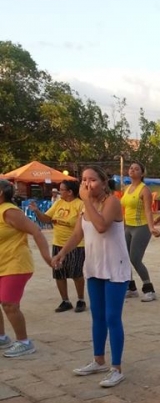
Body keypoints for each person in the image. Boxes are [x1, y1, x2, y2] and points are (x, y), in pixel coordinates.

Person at [51, 166, 130, 388]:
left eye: (92, 180)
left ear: (103, 182)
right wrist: (62, 253)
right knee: (97, 315)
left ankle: (116, 368)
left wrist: (85, 200)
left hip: (115, 267)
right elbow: (78, 233)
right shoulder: (85, 206)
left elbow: (102, 226)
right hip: (95, 266)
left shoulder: (112, 202)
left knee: (112, 317)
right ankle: (98, 360)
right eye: (84, 180)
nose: (87, 184)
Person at [0, 179, 53, 357]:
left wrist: (47, 257)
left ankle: (24, 342)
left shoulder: (9, 211)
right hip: (2, 263)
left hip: (15, 263)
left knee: (9, 304)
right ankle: (2, 337)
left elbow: (36, 231)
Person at [30, 180, 86, 313]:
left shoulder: (80, 204)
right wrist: (37, 211)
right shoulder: (59, 203)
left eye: (62, 189)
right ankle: (65, 301)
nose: (59, 192)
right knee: (59, 273)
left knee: (76, 273)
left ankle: (81, 299)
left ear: (70, 192)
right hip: (58, 243)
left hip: (75, 245)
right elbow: (46, 219)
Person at [122, 161, 160, 302]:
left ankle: (149, 289)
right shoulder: (127, 188)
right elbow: (125, 210)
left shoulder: (144, 190)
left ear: (142, 173)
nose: (132, 170)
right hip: (128, 227)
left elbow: (148, 211)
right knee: (124, 258)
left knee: (135, 259)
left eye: (136, 169)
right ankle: (131, 288)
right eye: (131, 168)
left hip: (141, 227)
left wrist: (151, 228)